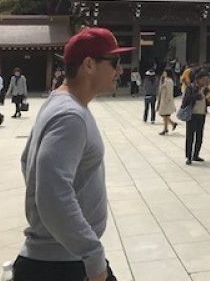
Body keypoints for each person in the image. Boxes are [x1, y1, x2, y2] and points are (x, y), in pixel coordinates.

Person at [12, 26, 131, 281]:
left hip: (65, 256)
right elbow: (52, 194)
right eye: (114, 62)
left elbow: (27, 163)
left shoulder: (60, 103)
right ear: (89, 64)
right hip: (63, 265)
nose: (119, 70)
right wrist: (92, 254)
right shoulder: (70, 116)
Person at [182, 68, 209, 165]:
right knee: (190, 136)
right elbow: (185, 101)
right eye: (204, 80)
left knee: (199, 136)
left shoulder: (205, 89)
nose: (206, 82)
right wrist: (196, 96)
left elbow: (206, 101)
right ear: (198, 79)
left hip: (202, 114)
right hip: (192, 114)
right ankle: (188, 156)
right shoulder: (191, 87)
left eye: (207, 80)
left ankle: (196, 155)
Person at [156, 69, 178, 136]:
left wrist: (167, 100)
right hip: (163, 99)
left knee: (165, 115)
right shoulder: (165, 80)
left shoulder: (169, 81)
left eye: (164, 72)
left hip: (166, 101)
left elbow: (169, 91)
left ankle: (166, 129)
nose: (163, 73)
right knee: (165, 115)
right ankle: (171, 124)